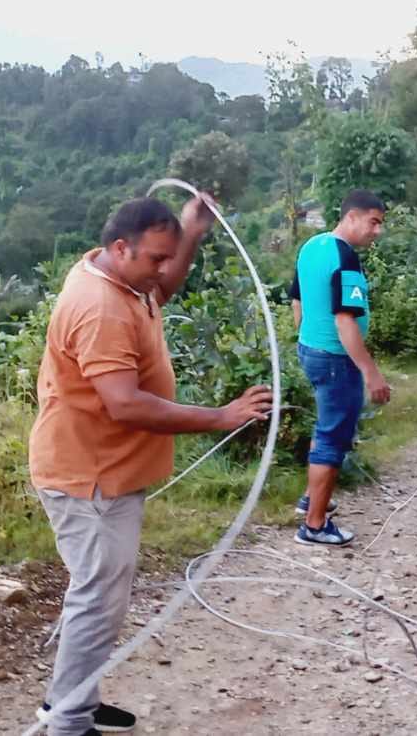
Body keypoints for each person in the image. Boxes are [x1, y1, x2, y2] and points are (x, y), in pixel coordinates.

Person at [30, 196, 274, 736]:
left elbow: (161, 290)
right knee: (97, 599)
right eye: (156, 259)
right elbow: (124, 403)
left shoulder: (125, 280)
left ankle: (74, 699)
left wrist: (190, 232)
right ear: (122, 248)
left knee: (103, 596)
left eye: (169, 257)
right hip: (88, 478)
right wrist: (221, 417)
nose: (164, 271)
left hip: (109, 471)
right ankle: (68, 723)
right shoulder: (99, 306)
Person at [292, 189, 391, 546]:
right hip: (336, 359)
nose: (377, 231)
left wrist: (306, 339)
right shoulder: (344, 256)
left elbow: (297, 300)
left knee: (326, 426)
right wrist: (371, 373)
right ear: (351, 217)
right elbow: (345, 320)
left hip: (311, 351)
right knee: (333, 437)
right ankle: (314, 525)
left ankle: (311, 498)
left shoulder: (311, 246)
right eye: (373, 222)